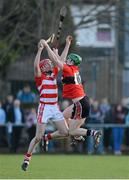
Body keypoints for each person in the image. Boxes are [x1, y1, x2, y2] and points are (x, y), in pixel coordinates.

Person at [41, 36, 102, 149]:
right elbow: (60, 60)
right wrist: (67, 45)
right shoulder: (72, 69)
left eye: (69, 59)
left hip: (80, 104)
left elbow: (56, 61)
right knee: (62, 117)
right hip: (81, 102)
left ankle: (94, 133)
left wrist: (47, 47)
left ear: (72, 62)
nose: (66, 60)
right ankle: (47, 137)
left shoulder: (69, 69)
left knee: (71, 131)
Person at [21, 39, 68, 171]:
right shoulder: (39, 77)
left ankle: (47, 138)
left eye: (49, 63)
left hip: (55, 106)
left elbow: (61, 61)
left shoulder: (54, 74)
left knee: (65, 132)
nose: (49, 63)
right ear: (43, 67)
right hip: (44, 107)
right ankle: (27, 159)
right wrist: (40, 49)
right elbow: (35, 66)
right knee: (37, 137)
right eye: (47, 63)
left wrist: (62, 48)